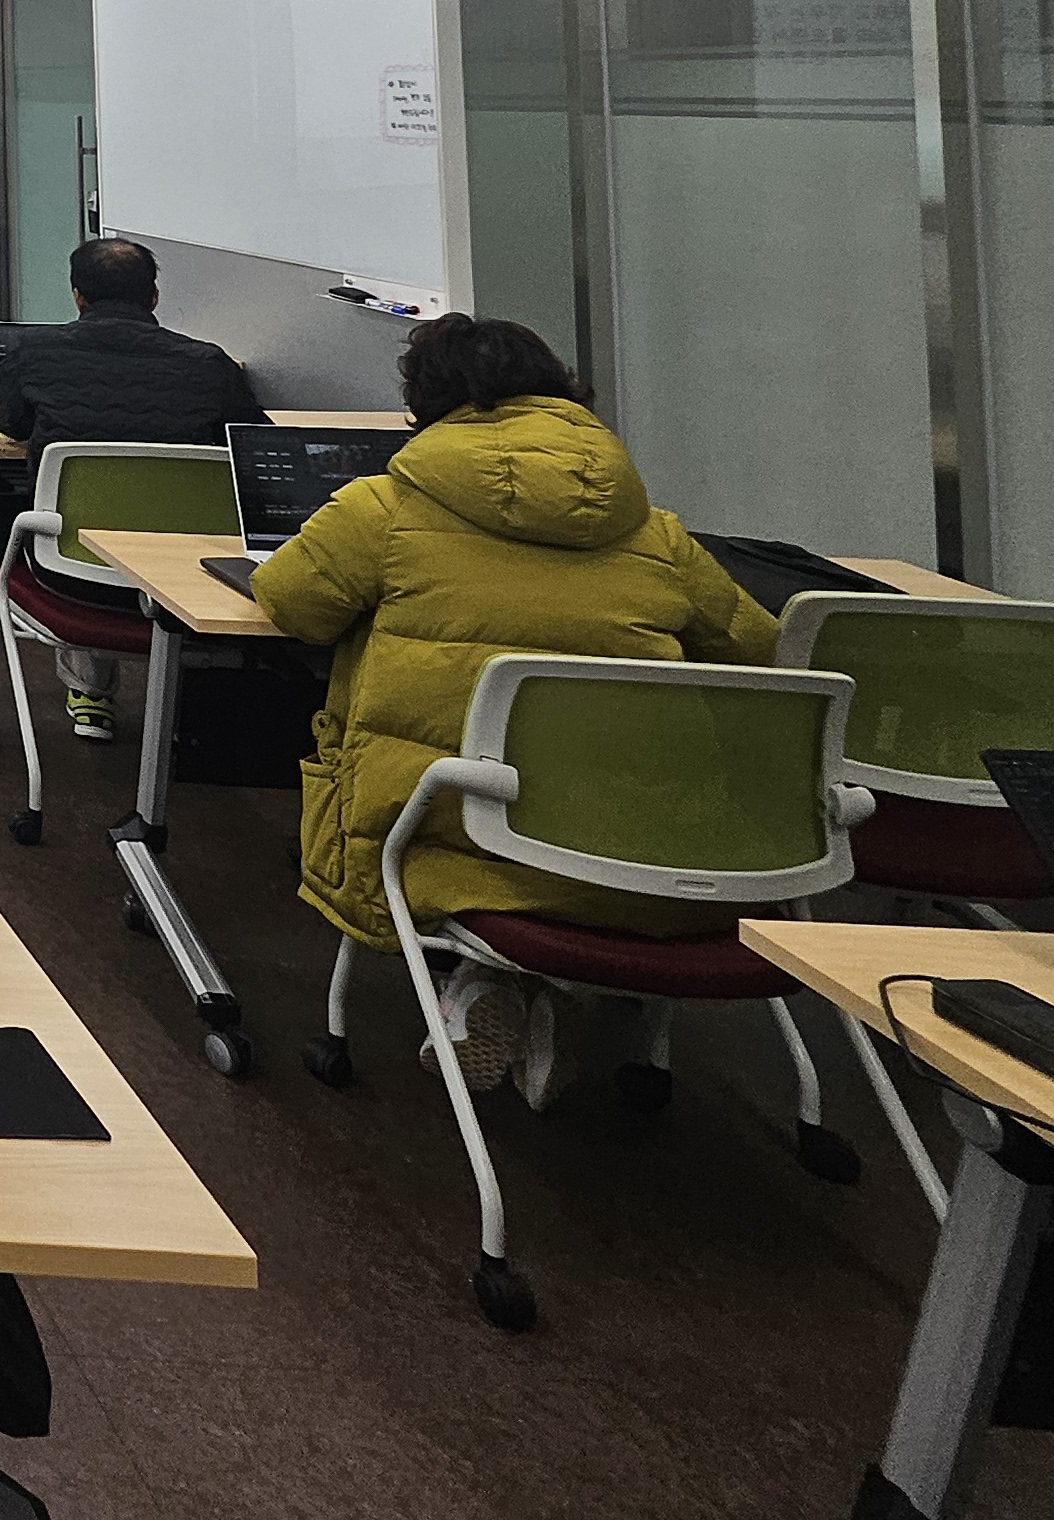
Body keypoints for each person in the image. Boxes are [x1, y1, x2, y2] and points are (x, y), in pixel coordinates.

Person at [250, 313, 776, 1109]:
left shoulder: (383, 506)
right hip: (649, 844)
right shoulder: (655, 532)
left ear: (427, 403)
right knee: (559, 817)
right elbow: (762, 652)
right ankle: (540, 991)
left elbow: (292, 605)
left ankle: (490, 986)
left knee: (470, 814)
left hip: (446, 826)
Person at [0, 234, 266, 741]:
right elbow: (252, 444)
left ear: (78, 296)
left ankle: (90, 693)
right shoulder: (210, 364)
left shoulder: (36, 354)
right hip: (193, 569)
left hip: (71, 570)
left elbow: (5, 420)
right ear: (153, 296)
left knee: (77, 517)